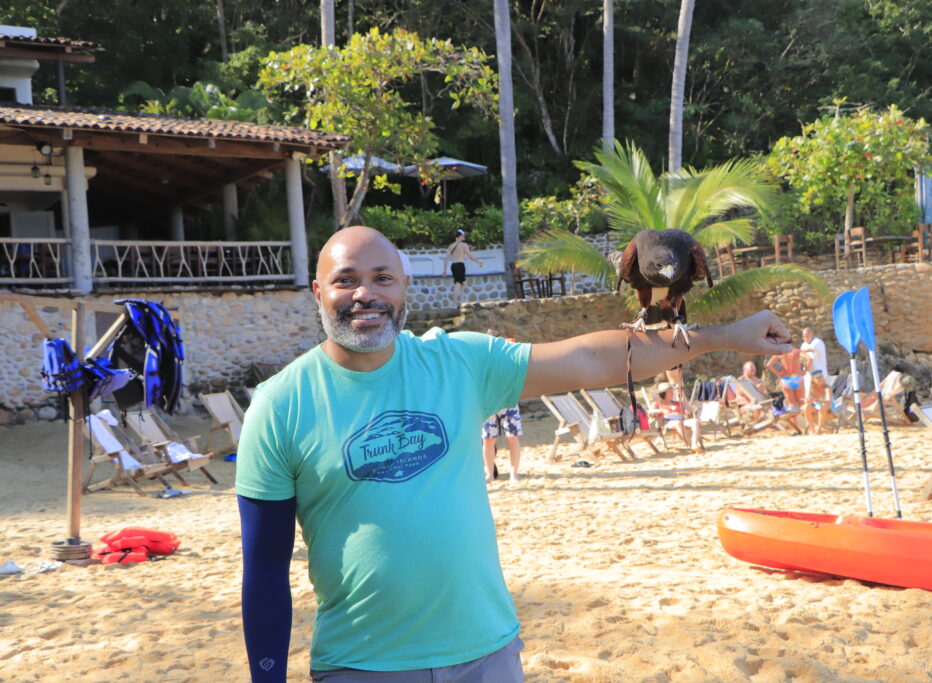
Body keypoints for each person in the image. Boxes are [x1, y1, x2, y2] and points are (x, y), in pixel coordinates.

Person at [236, 226, 793, 682]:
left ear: (404, 286)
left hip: (487, 654)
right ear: (317, 291)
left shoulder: (459, 363)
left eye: (382, 278)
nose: (366, 294)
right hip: (363, 665)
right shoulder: (280, 405)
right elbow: (264, 569)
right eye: (345, 281)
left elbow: (587, 359)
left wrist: (727, 334)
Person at [482, 331, 523, 484]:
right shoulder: (482, 359)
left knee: (512, 437)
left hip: (508, 400)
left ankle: (514, 474)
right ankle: (490, 474)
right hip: (489, 402)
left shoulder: (510, 357)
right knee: (488, 439)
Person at [652, 380, 701, 451]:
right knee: (678, 423)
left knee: (695, 421)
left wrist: (682, 394)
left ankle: (694, 444)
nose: (672, 394)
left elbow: (689, 411)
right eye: (670, 392)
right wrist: (661, 410)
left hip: (682, 420)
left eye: (672, 392)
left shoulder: (677, 403)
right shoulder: (657, 403)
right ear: (663, 393)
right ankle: (691, 445)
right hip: (668, 423)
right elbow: (651, 411)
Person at [441, 229, 483, 307]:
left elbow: (446, 258)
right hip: (460, 265)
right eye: (463, 236)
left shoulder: (451, 246)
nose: (464, 238)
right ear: (459, 236)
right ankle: (454, 303)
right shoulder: (464, 245)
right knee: (458, 284)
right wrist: (478, 261)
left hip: (453, 265)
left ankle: (462, 301)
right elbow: (470, 256)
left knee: (463, 283)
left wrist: (444, 271)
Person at [766, 347, 804, 412]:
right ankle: (807, 421)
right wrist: (805, 370)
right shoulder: (796, 351)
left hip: (786, 379)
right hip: (797, 378)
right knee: (802, 403)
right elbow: (809, 359)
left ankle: (795, 421)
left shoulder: (780, 353)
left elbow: (769, 365)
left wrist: (778, 374)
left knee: (792, 406)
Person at [802, 369, 834, 435]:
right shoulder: (812, 388)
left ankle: (818, 430)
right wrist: (807, 399)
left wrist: (818, 400)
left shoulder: (827, 388)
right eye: (817, 378)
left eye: (821, 377)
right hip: (818, 407)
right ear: (813, 380)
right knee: (806, 407)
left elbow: (829, 402)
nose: (820, 379)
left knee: (822, 407)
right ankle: (812, 429)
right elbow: (810, 400)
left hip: (829, 408)